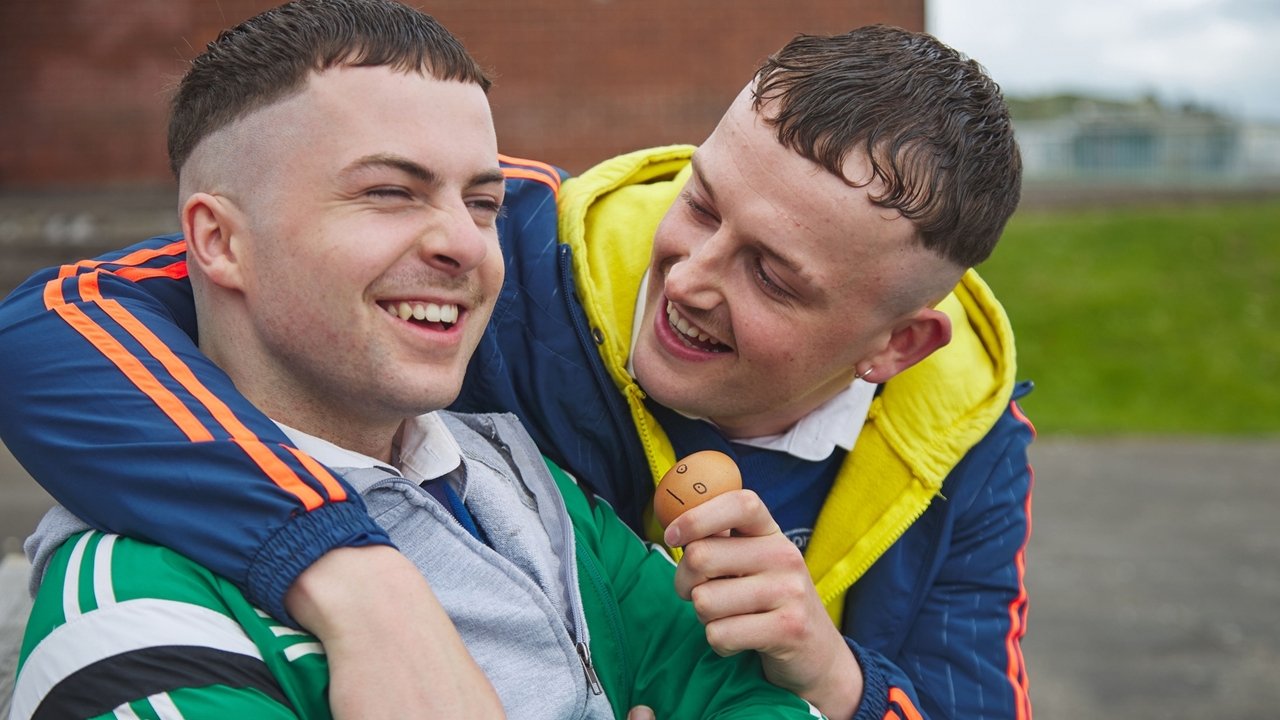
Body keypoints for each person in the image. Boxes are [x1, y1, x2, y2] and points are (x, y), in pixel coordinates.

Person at [0, 18, 1035, 720]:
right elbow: (53, 330)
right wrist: (353, 576)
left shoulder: (964, 444)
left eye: (771, 273)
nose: (688, 279)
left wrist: (836, 674)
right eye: (703, 201)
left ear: (892, 348)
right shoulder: (526, 251)